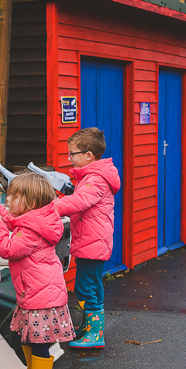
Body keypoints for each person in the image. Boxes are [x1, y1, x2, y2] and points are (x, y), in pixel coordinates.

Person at [0, 173, 75, 369]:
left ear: (30, 203)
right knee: (28, 337)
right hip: (35, 293)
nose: (8, 199)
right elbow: (13, 218)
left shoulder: (31, 231)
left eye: (13, 196)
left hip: (40, 296)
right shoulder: (35, 219)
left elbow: (7, 249)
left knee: (38, 343)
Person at [53, 127, 121, 349]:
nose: (69, 158)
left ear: (89, 155)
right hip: (92, 242)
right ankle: (91, 327)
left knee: (84, 288)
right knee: (93, 285)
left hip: (92, 244)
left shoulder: (96, 179)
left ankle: (95, 334)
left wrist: (49, 208)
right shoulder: (92, 177)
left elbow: (78, 202)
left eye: (73, 153)